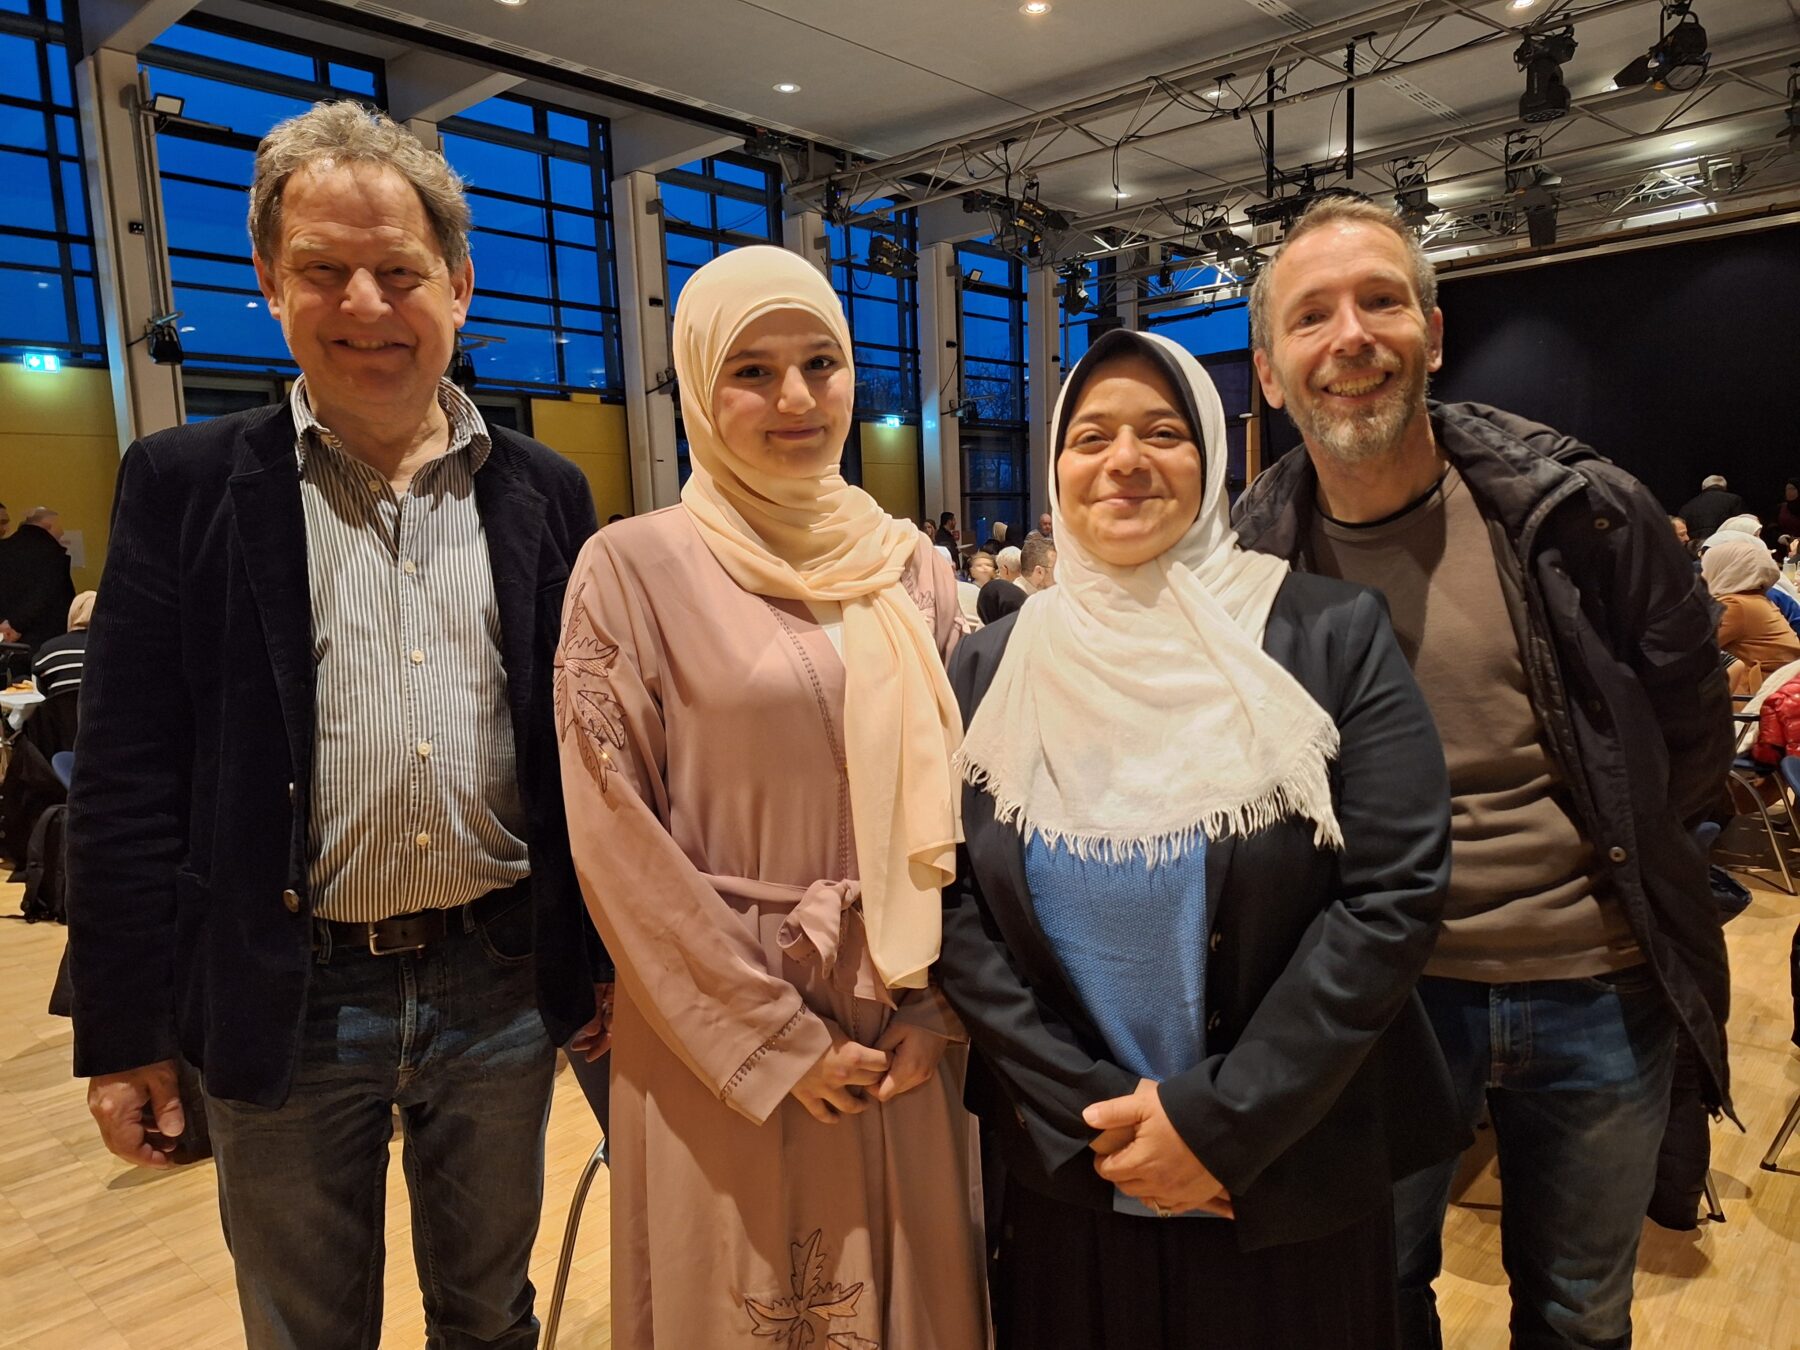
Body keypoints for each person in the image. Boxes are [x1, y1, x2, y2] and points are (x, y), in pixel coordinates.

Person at [66, 102, 608, 1349]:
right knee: (307, 1330)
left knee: (492, 1315)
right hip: (285, 992)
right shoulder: (184, 483)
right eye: (323, 270)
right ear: (270, 283)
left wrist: (603, 964)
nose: (365, 302)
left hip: (499, 984)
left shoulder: (547, 494)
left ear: (459, 285)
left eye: (399, 271)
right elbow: (129, 781)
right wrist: (127, 1034)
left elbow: (587, 757)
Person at [1234, 194, 1733, 1350]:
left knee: (1575, 1314)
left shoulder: (1582, 513)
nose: (1349, 336)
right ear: (1267, 369)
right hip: (1374, 1007)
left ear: (1436, 333)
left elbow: (1688, 741)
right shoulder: (1247, 559)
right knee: (1372, 1301)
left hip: (1597, 988)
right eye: (1311, 316)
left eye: (1380, 301)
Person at [936, 327, 1461, 1349]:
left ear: (1216, 458)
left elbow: (1392, 897)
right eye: (1091, 437)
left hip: (1285, 1169)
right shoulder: (991, 668)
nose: (1124, 460)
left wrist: (1216, 1127)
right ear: (1056, 467)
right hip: (1071, 1175)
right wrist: (1102, 1122)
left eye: (1163, 431)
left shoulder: (1328, 633)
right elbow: (955, 912)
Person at [555, 244, 988, 1349]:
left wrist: (936, 1005)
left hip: (905, 1017)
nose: (795, 399)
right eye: (750, 371)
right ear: (699, 388)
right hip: (724, 1016)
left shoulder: (912, 569)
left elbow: (968, 805)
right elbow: (615, 840)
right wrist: (773, 1041)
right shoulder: (632, 570)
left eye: (821, 362)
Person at [1704, 534, 1800, 696]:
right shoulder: (1754, 598)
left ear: (1723, 570)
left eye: (1706, 569)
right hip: (1779, 689)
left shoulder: (1735, 605)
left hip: (1755, 697)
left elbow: (1691, 646)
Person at [0, 505, 76, 650]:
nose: (60, 536)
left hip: (5, 639)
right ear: (48, 526)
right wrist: (17, 624)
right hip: (46, 640)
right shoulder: (54, 556)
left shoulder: (5, 550)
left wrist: (5, 625)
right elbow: (46, 595)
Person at [32, 590, 94, 699]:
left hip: (58, 714)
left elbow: (41, 689)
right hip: (97, 715)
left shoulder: (48, 651)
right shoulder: (111, 651)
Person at [1677, 474, 1745, 541]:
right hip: (1723, 543)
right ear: (1724, 487)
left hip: (1695, 547)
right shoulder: (1735, 500)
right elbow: (1742, 526)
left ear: (1703, 487)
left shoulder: (1687, 506)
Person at [978, 545, 1026, 625]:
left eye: (999, 570)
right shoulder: (1036, 588)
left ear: (1005, 569)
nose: (999, 574)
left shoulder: (1001, 595)